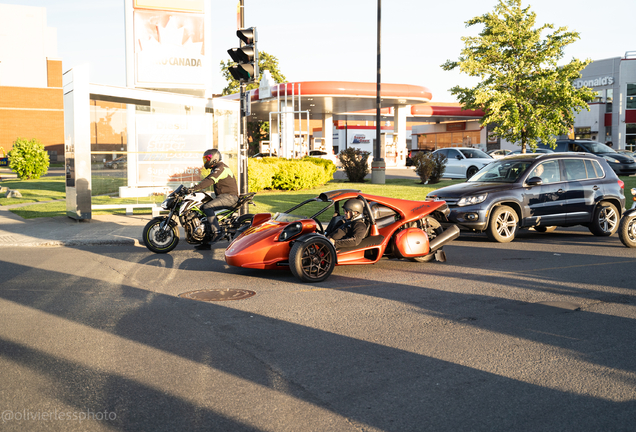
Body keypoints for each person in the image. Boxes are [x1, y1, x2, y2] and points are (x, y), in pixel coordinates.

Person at [189, 149, 239, 250]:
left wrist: (193, 189)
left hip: (229, 197)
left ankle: (217, 232)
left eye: (207, 158)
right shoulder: (216, 168)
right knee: (202, 209)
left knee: (207, 207)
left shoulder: (221, 168)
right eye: (205, 159)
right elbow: (207, 180)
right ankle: (206, 242)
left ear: (214, 158)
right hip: (223, 196)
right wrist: (194, 188)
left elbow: (209, 180)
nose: (206, 161)